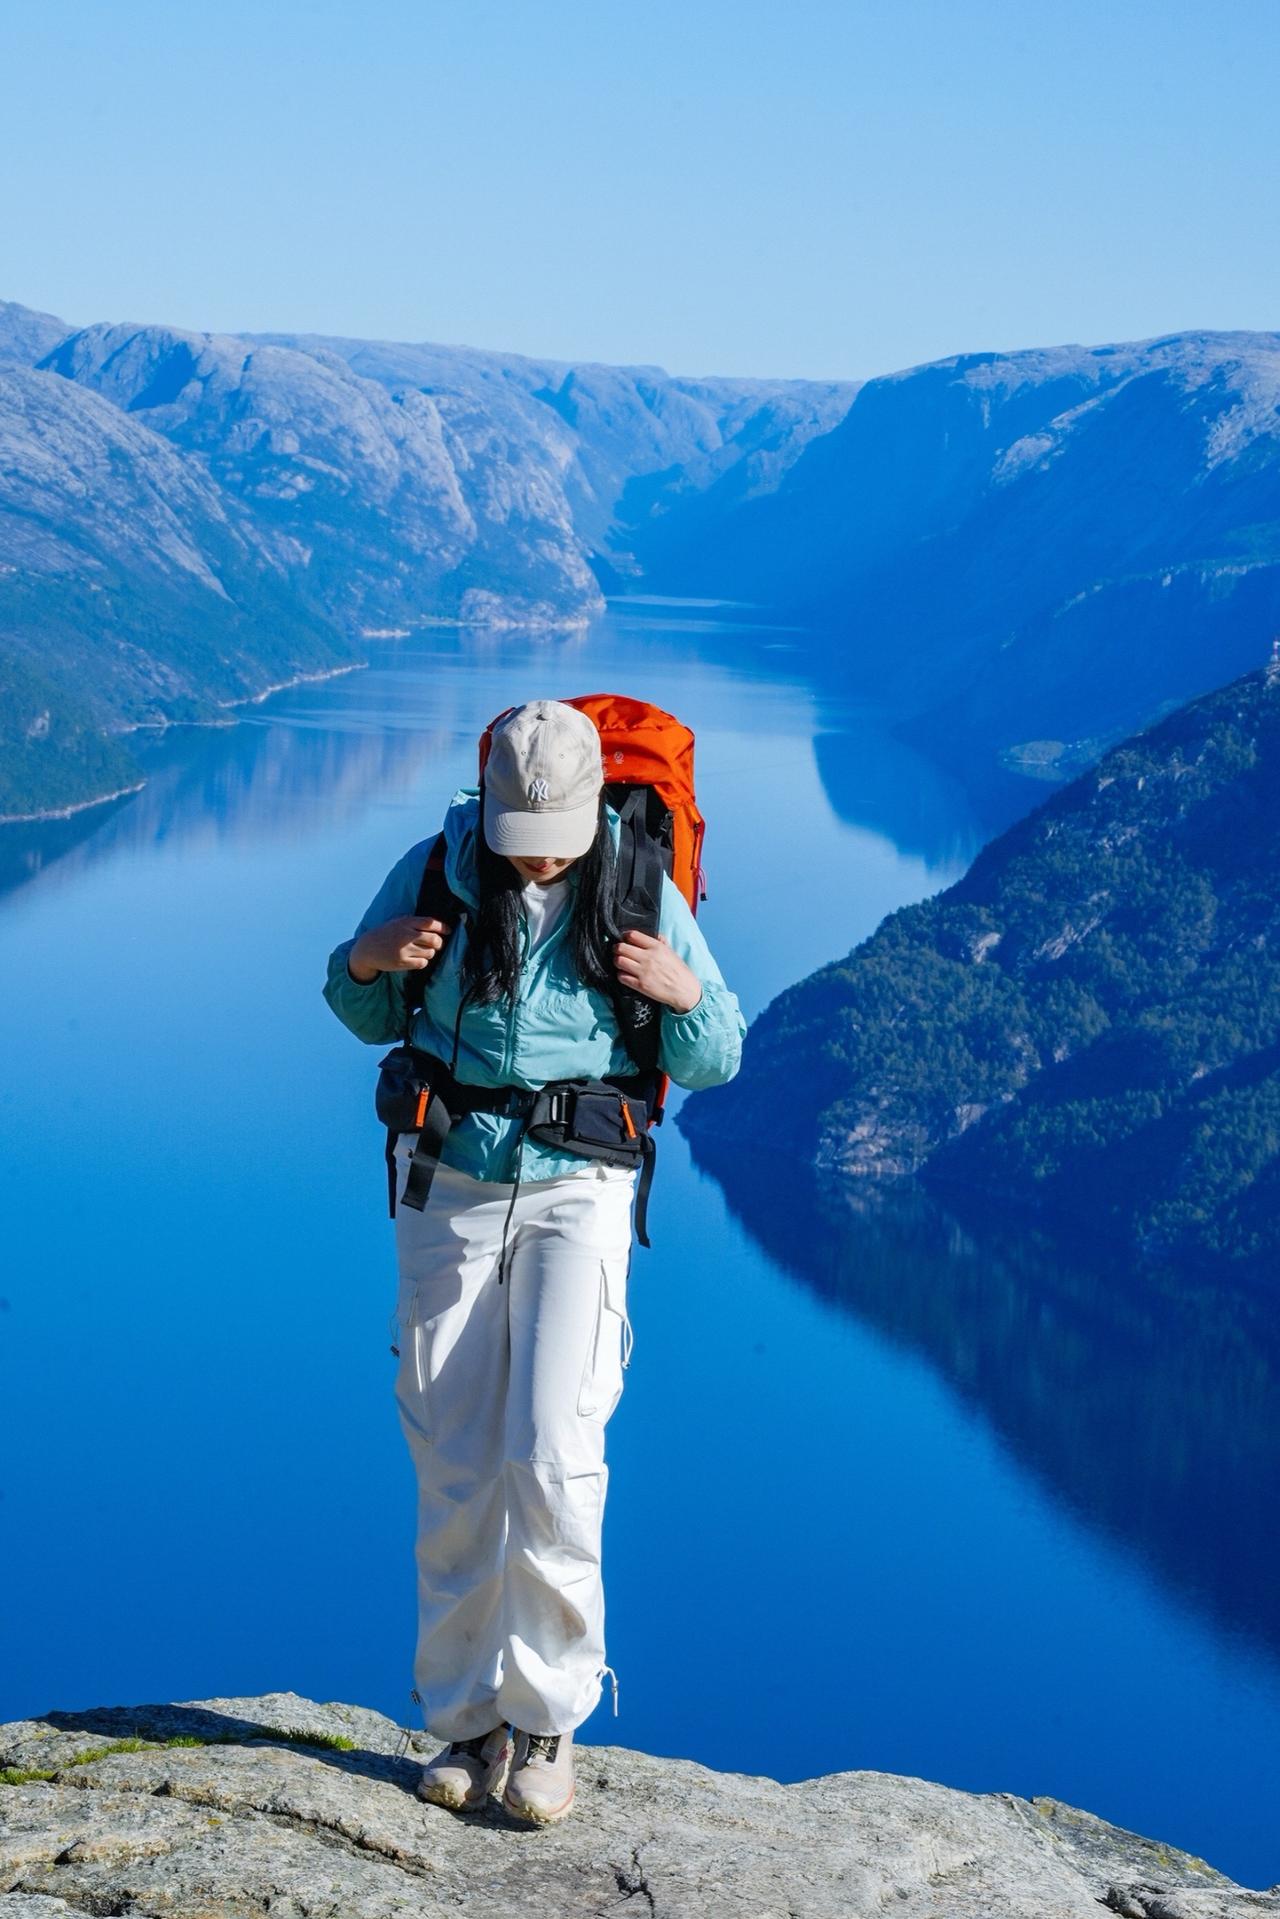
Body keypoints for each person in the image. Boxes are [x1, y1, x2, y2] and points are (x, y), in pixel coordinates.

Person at [322, 699, 745, 1824]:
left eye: (554, 826)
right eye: (519, 829)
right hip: (450, 1177)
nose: (538, 853)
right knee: (453, 1445)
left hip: (576, 1187)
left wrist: (683, 994)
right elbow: (360, 1005)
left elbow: (719, 1052)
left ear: (594, 801)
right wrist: (367, 959)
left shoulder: (633, 881)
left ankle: (549, 1716)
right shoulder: (437, 867)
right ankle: (466, 1718)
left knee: (553, 1447)